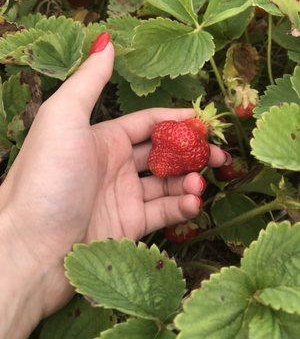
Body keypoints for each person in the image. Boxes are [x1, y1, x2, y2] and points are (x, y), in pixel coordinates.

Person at [0, 33, 230, 339]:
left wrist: (23, 251)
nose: (159, 169)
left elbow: (163, 161)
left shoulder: (180, 142)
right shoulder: (187, 147)